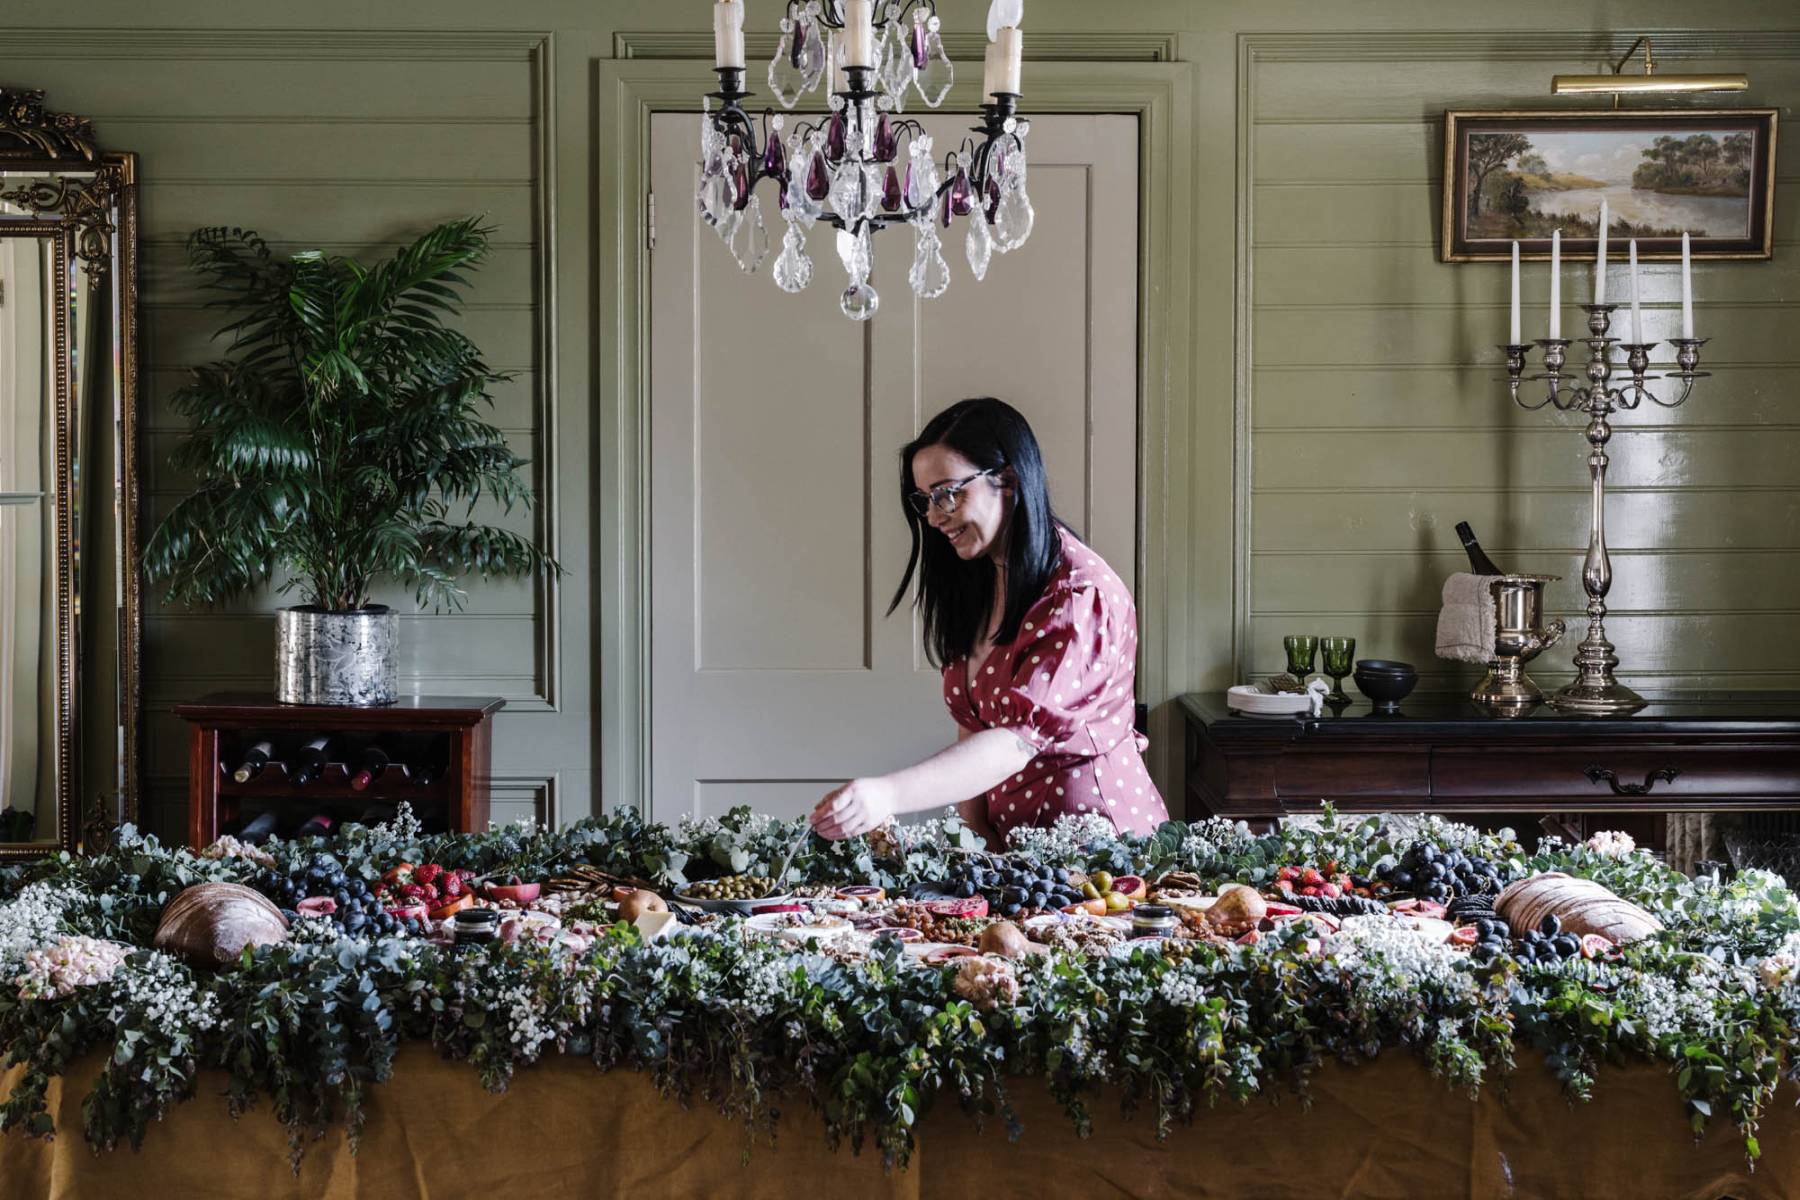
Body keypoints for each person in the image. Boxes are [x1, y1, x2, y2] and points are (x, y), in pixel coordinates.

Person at [809, 397, 1167, 848]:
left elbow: (1016, 741)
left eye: (948, 493)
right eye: (925, 500)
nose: (935, 517)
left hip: (1099, 851)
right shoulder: (981, 580)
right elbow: (974, 727)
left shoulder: (1079, 596)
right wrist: (979, 840)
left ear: (1009, 480)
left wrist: (887, 794)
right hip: (1015, 849)